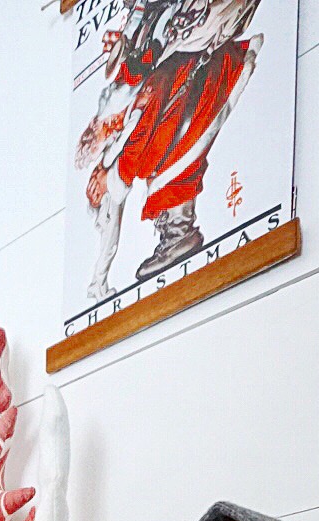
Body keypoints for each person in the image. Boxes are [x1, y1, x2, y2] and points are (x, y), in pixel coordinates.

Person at [78, 0, 263, 298]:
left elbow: (147, 85)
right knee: (168, 158)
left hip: (191, 80)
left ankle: (178, 233)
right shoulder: (154, 18)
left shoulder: (170, 27)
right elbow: (141, 65)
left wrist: (114, 173)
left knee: (172, 159)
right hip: (182, 81)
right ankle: (176, 232)